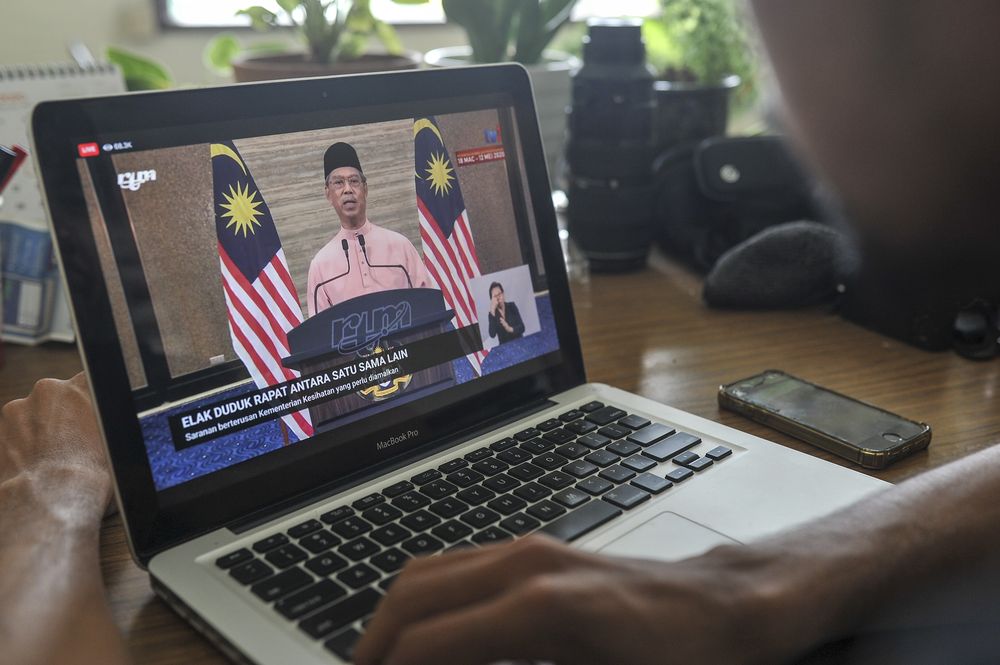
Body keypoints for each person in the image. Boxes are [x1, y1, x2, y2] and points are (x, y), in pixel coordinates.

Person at [5, 3, 1000, 664]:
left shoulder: (403, 239)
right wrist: (786, 569)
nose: (775, 93)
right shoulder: (309, 268)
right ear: (324, 193)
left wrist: (45, 514)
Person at [307, 142, 429, 317]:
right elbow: (321, 333)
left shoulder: (400, 245)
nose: (348, 190)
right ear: (328, 193)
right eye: (339, 183)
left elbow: (428, 306)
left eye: (354, 181)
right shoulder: (320, 266)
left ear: (365, 188)